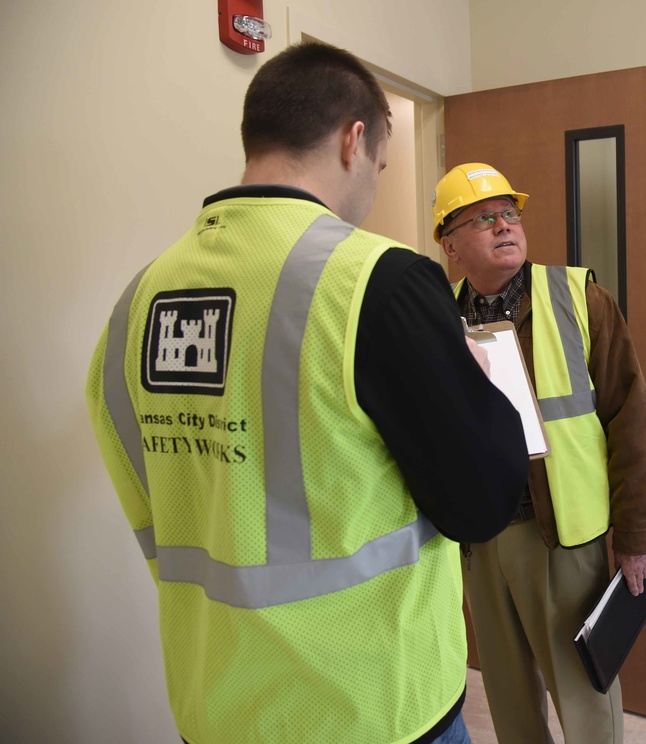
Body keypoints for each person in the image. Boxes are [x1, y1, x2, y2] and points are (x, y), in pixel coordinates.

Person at [84, 43, 530, 744]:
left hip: (217, 711)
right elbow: (483, 501)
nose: (374, 189)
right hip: (376, 710)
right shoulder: (375, 281)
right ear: (355, 141)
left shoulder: (133, 305)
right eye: (382, 168)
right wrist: (474, 384)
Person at [430, 162, 646, 744]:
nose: (504, 226)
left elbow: (630, 422)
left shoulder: (578, 297)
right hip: (479, 542)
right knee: (506, 698)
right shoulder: (434, 315)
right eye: (483, 218)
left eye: (510, 213)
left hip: (561, 537)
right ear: (450, 244)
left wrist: (636, 537)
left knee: (585, 698)